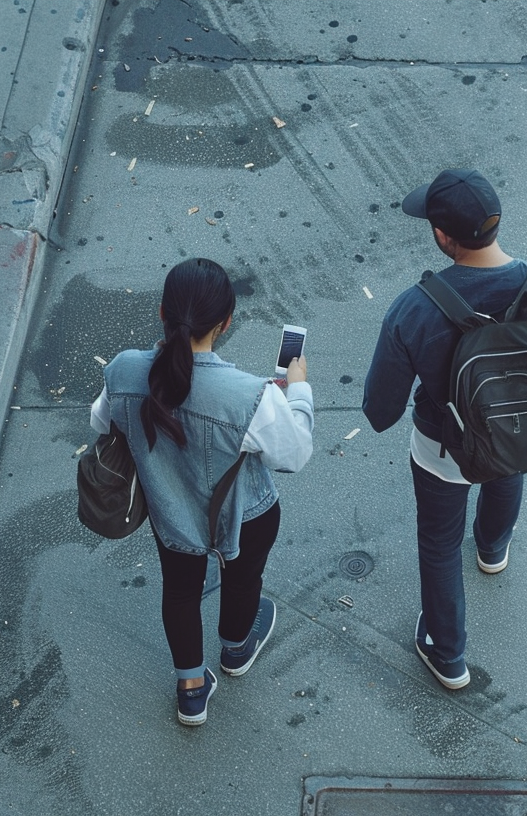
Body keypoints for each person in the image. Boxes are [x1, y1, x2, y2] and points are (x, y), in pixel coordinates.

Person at [362, 169, 527, 690]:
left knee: (440, 546)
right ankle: (492, 549)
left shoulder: (415, 309)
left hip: (444, 448)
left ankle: (449, 657)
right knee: (505, 471)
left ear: (444, 237)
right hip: (520, 437)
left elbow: (380, 412)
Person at [90, 258, 313, 725]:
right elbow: (293, 455)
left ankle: (191, 689)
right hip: (245, 514)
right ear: (226, 323)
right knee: (243, 579)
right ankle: (236, 649)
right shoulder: (252, 394)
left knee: (180, 590)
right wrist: (297, 391)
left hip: (170, 513)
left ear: (161, 313)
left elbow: (101, 422)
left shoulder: (126, 370)